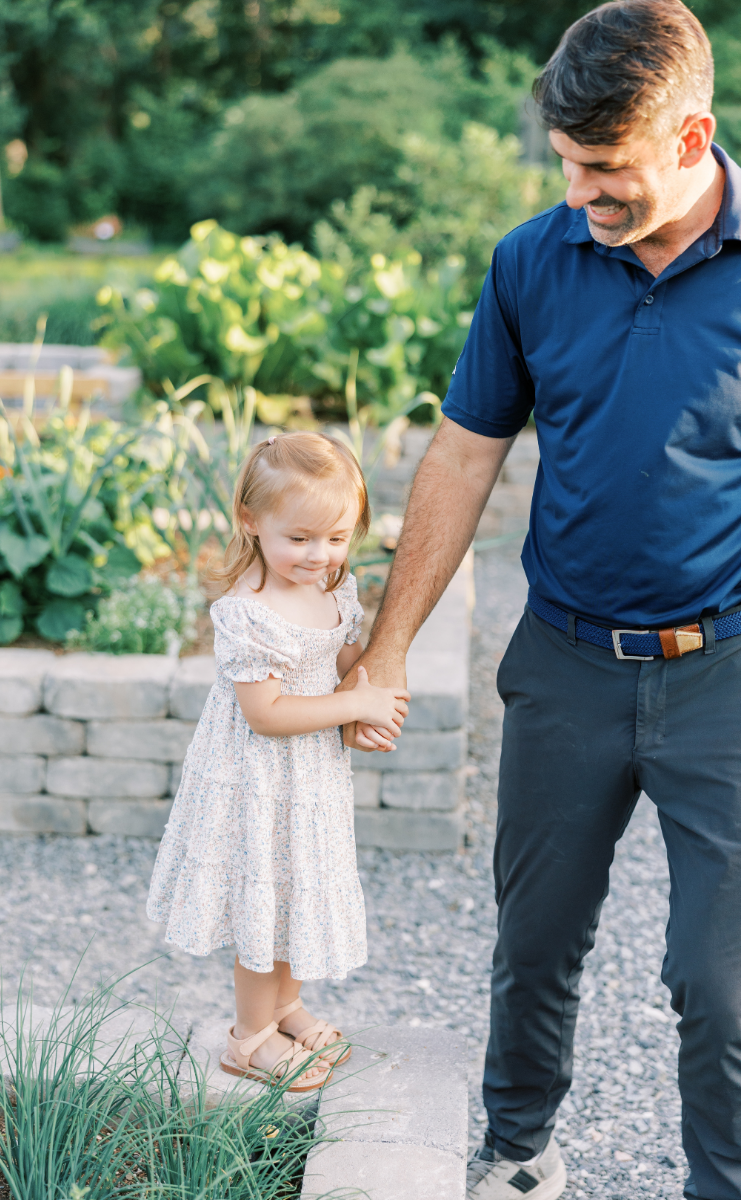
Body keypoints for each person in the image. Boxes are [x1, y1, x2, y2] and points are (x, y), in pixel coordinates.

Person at [338, 4, 741, 1197]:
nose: (578, 195)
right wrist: (387, 647)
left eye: (605, 169)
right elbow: (465, 455)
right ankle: (516, 1157)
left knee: (718, 980)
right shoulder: (529, 260)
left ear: (688, 138)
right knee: (532, 944)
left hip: (721, 667)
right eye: (566, 165)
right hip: (563, 656)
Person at [147, 432, 409, 1092]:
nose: (319, 556)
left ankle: (285, 1006)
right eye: (300, 538)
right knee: (261, 901)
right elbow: (266, 713)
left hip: (310, 776)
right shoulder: (248, 613)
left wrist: (367, 687)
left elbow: (338, 661)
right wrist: (356, 705)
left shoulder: (331, 590)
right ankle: (248, 1036)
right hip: (256, 780)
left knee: (295, 891)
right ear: (250, 520)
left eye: (337, 539)